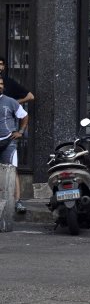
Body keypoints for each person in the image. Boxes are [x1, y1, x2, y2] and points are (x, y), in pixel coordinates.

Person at [0, 78, 28, 214]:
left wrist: (20, 131)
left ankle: (18, 201)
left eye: (1, 84)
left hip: (8, 141)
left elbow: (24, 115)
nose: (0, 86)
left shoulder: (10, 101)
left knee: (12, 170)